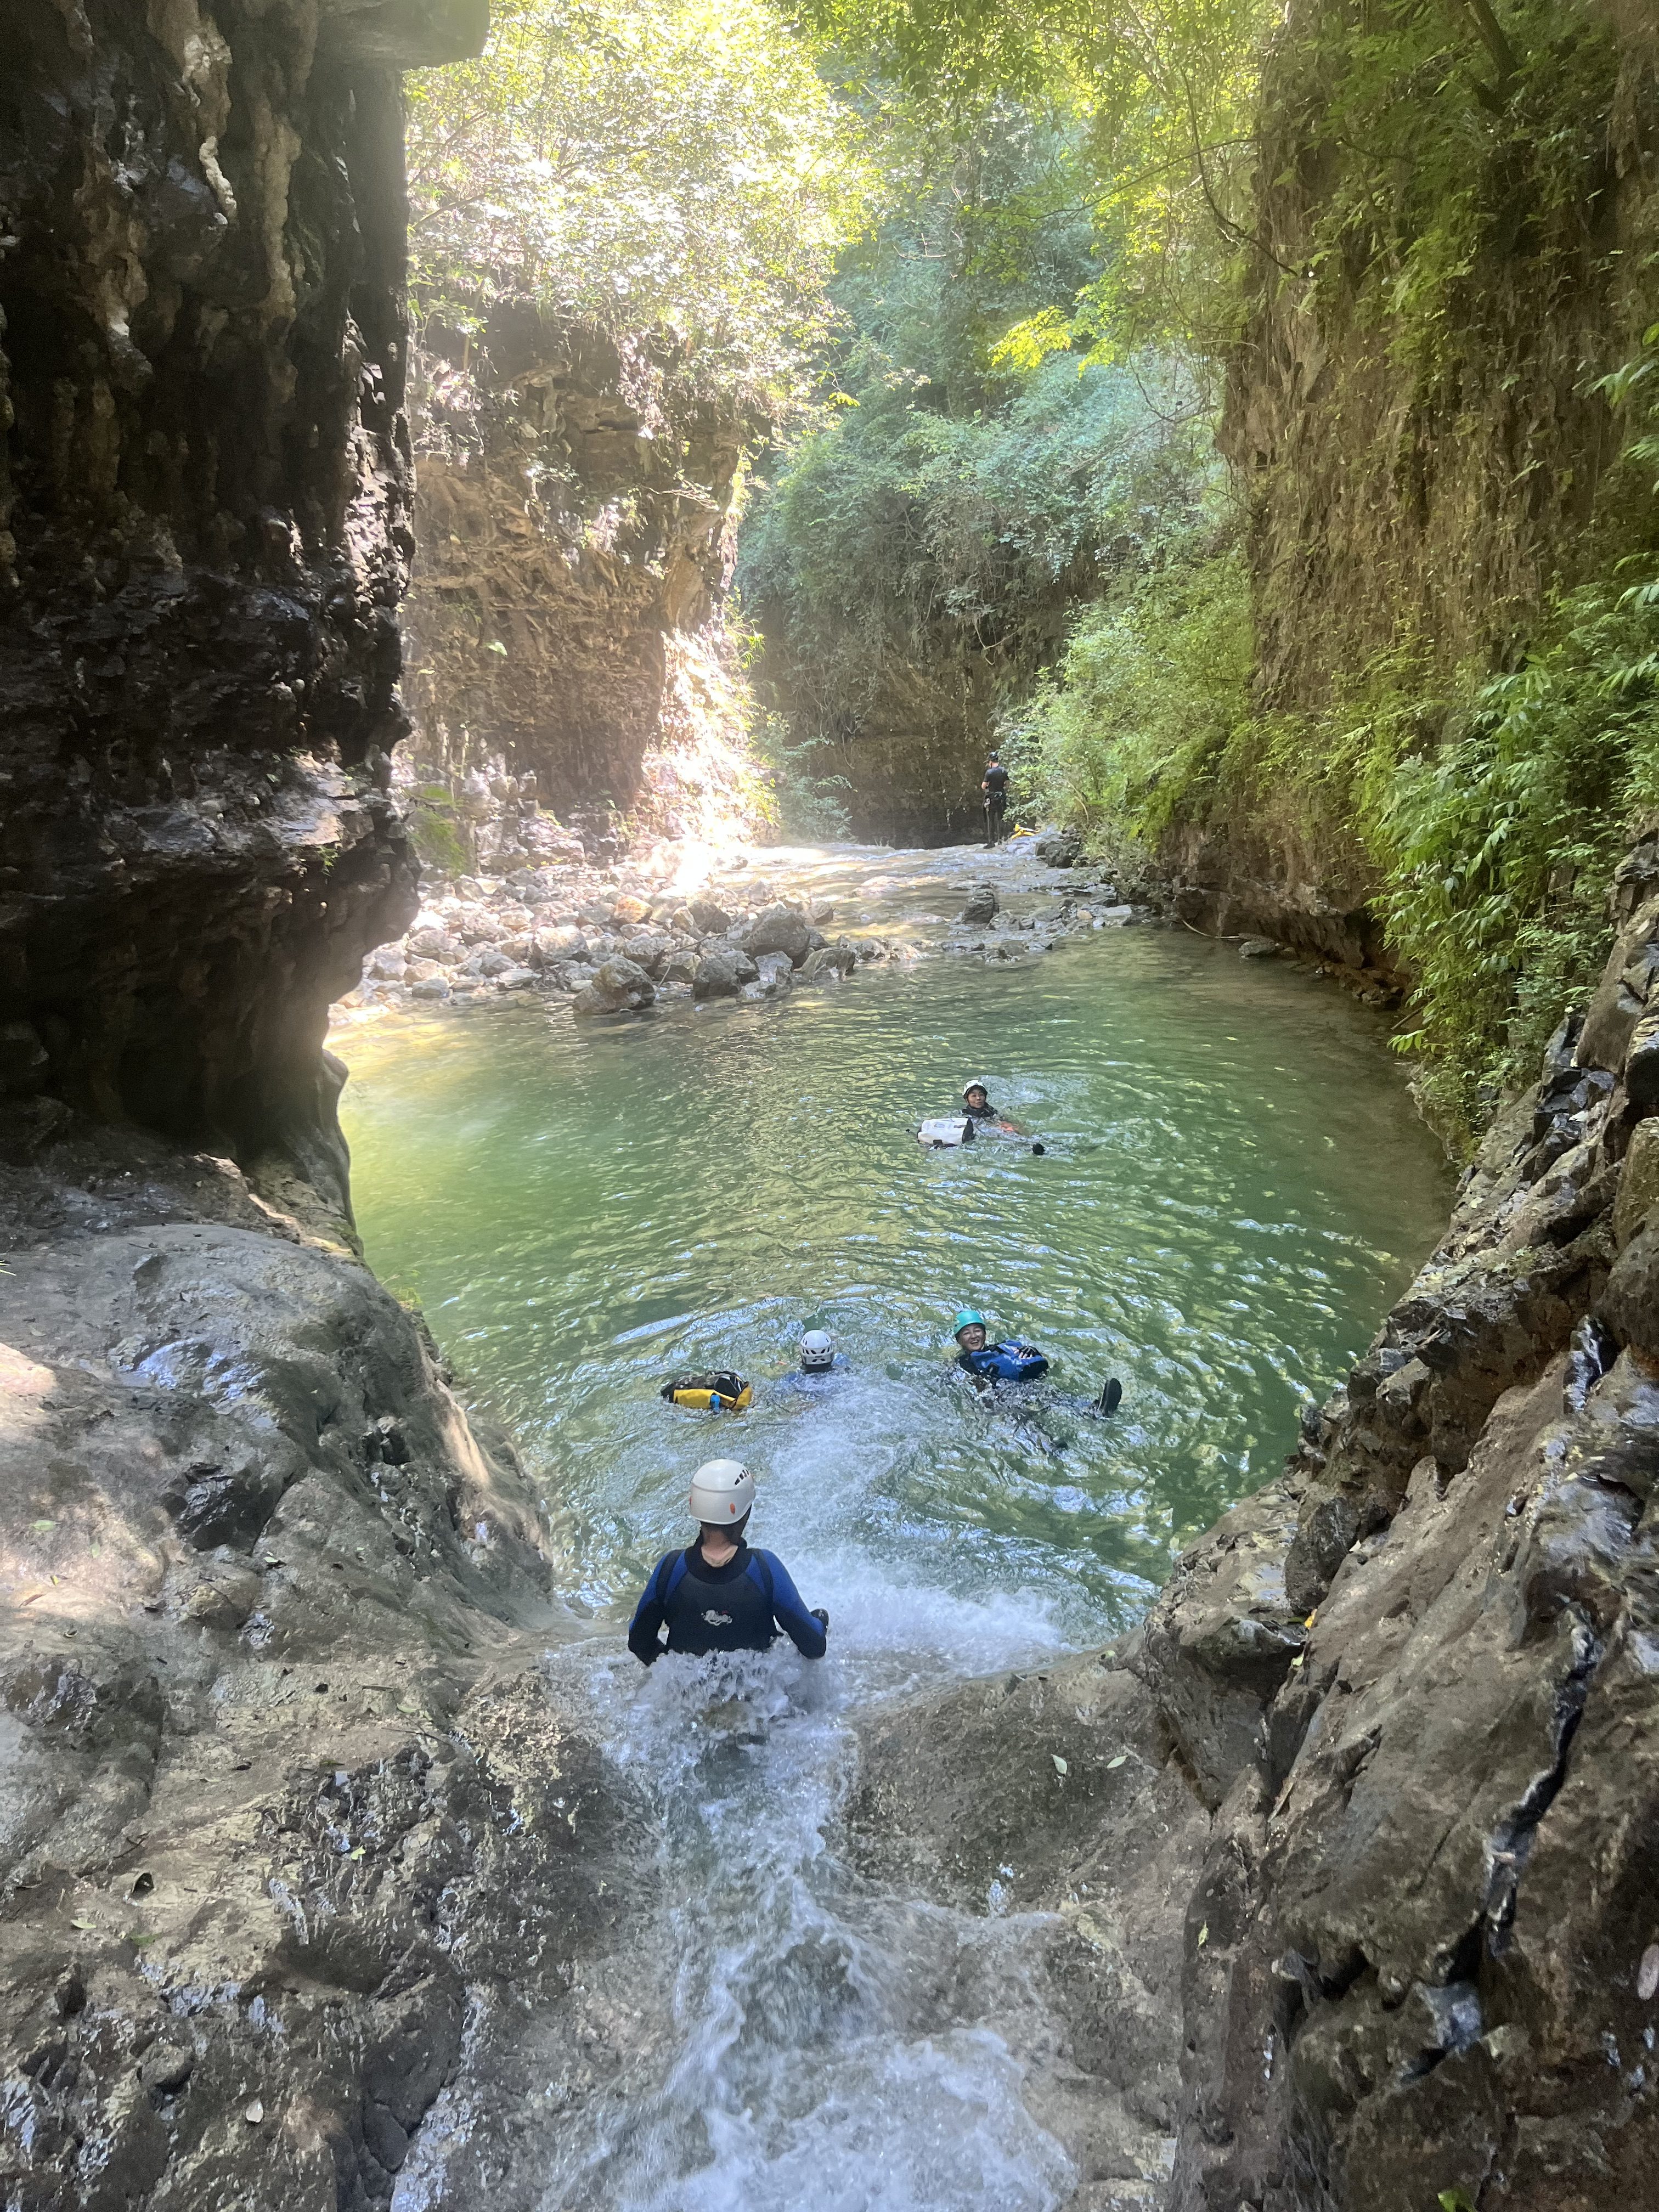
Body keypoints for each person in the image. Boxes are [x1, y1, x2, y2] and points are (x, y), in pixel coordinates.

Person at [628, 1458, 830, 1664]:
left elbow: (638, 1641)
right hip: (760, 1691)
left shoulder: (670, 1568)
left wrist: (668, 1668)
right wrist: (820, 1622)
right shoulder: (764, 1567)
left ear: (693, 1505)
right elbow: (813, 1646)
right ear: (746, 1512)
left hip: (689, 1691)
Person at [951, 1310, 1122, 1413]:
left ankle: (1092, 1409)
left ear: (985, 1334)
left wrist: (1033, 1354)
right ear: (959, 1340)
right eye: (967, 1333)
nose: (974, 1336)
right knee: (1020, 1416)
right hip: (997, 1397)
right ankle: (1048, 1444)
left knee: (1050, 1393)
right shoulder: (960, 1363)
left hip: (1018, 1385)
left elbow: (1042, 1373)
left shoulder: (1001, 1348)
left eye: (978, 1330)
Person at [981, 751, 1010, 847]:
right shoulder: (1003, 771)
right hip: (1001, 797)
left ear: (990, 761)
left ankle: (991, 842)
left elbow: (983, 786)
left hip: (991, 798)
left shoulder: (989, 772)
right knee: (1000, 819)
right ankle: (1001, 840)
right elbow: (1007, 785)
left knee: (991, 820)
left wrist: (989, 786)